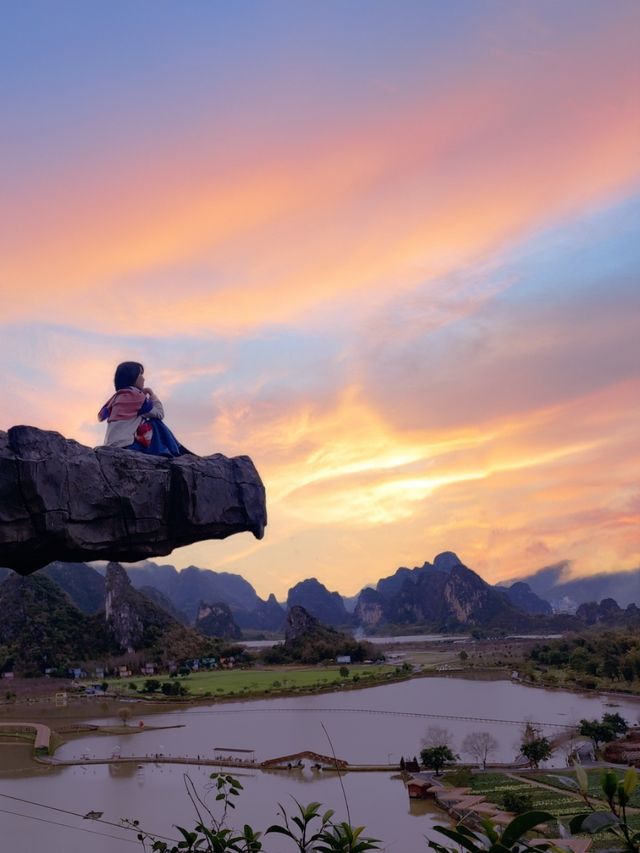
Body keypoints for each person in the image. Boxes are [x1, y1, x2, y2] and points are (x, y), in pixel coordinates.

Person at [98, 361, 189, 457]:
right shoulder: (135, 396)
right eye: (140, 374)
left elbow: (101, 416)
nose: (143, 378)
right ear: (132, 376)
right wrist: (151, 394)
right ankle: (176, 450)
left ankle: (175, 449)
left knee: (146, 422)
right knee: (155, 422)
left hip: (110, 444)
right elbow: (159, 413)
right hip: (127, 446)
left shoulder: (115, 398)